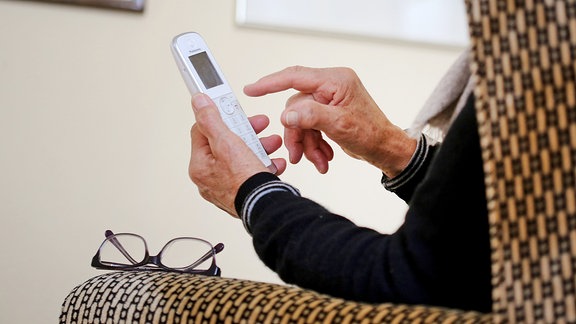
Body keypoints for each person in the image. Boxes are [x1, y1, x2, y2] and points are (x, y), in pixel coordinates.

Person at [188, 53, 491, 312]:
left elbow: (411, 283)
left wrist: (253, 193)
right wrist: (390, 146)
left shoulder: (523, 65)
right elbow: (480, 231)